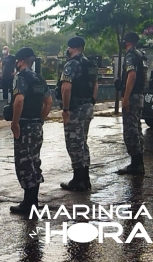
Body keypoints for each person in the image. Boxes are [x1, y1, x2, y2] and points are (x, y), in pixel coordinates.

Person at [9, 47, 53, 214]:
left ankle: (28, 204)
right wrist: (40, 118)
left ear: (20, 61)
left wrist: (15, 123)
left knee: (24, 163)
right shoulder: (39, 78)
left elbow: (19, 100)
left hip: (25, 125)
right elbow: (48, 102)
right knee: (34, 161)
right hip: (36, 125)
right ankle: (33, 200)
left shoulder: (20, 78)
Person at [59, 36, 98, 191]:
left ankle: (78, 180)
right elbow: (96, 85)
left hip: (75, 108)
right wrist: (91, 102)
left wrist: (66, 109)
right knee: (83, 142)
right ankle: (85, 178)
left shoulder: (71, 64)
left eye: (69, 48)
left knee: (74, 143)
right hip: (87, 106)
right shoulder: (91, 64)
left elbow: (66, 88)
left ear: (72, 48)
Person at [116, 32, 146, 175]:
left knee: (130, 131)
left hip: (133, 96)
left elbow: (132, 75)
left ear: (127, 41)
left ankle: (136, 164)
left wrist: (126, 97)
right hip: (139, 95)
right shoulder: (140, 55)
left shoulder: (131, 55)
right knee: (137, 128)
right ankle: (138, 162)